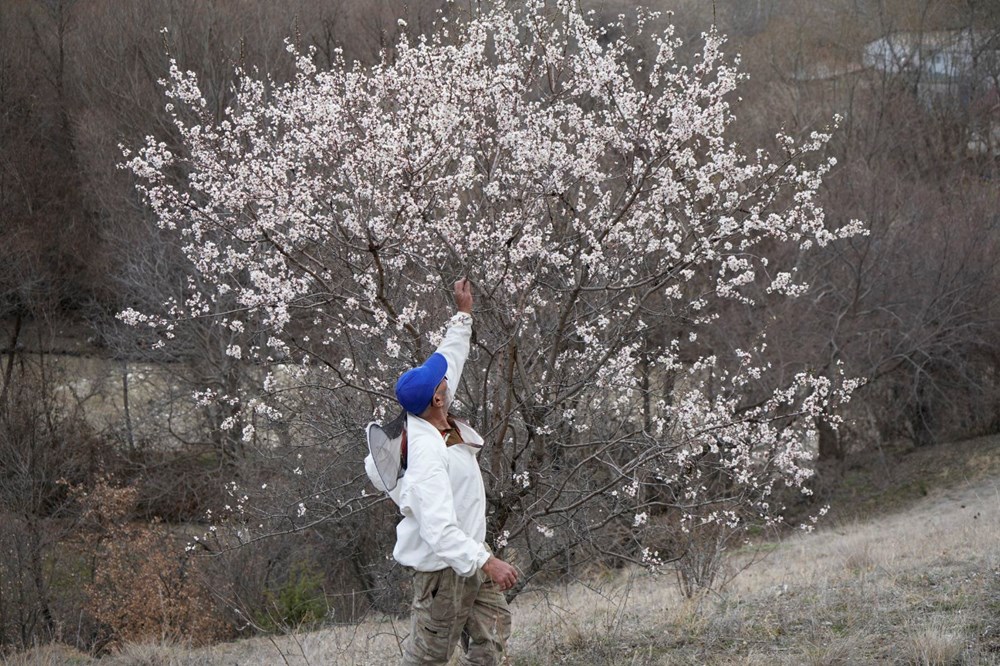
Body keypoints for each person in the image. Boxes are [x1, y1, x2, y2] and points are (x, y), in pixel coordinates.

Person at [364, 278, 517, 666]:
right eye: (442, 381)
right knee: (428, 658)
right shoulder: (426, 457)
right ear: (437, 397)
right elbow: (438, 530)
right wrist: (488, 561)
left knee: (493, 631)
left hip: (469, 555)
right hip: (443, 572)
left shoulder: (434, 414)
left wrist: (463, 314)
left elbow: (451, 359)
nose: (447, 377)